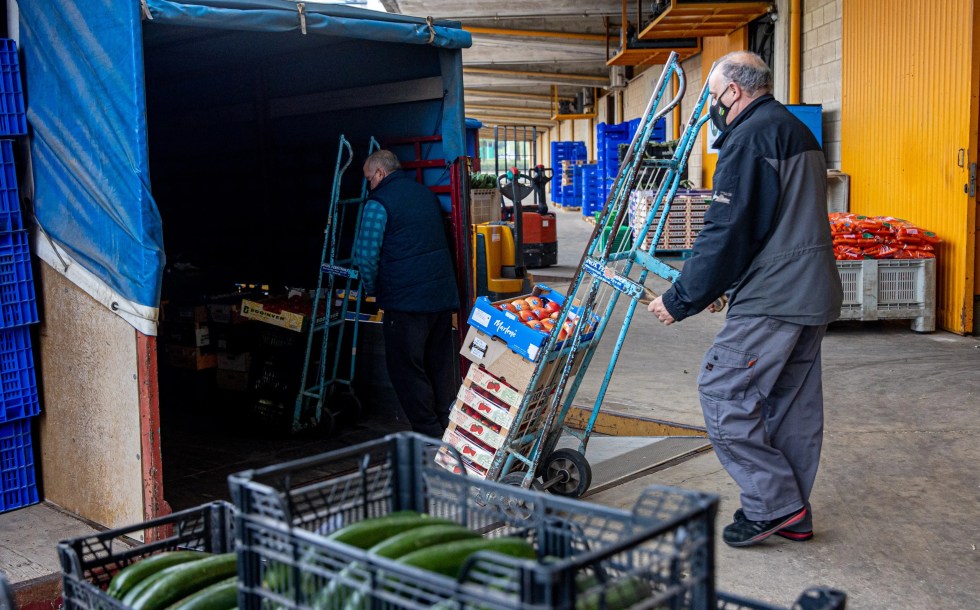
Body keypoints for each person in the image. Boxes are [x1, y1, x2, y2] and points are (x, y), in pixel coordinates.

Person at [647, 51, 843, 548]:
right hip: (810, 289)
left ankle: (773, 505)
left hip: (775, 296)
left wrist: (684, 296)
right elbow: (774, 222)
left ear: (733, 92)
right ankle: (792, 514)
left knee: (722, 392)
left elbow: (729, 228)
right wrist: (726, 287)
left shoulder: (750, 136)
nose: (714, 106)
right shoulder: (794, 130)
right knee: (790, 405)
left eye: (714, 96)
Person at [353, 149, 460, 438]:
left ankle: (428, 434)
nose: (368, 185)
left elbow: (366, 256)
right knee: (437, 364)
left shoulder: (378, 204)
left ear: (379, 173)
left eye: (368, 179)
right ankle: (445, 424)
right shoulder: (425, 194)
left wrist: (373, 289)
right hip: (439, 298)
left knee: (406, 369)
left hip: (405, 303)